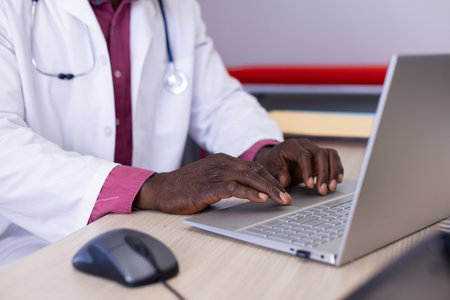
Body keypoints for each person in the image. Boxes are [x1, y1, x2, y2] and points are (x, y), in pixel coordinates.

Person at [0, 0, 343, 268]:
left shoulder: (174, 8)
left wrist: (263, 152)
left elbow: (218, 101)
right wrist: (152, 187)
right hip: (32, 241)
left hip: (148, 233)